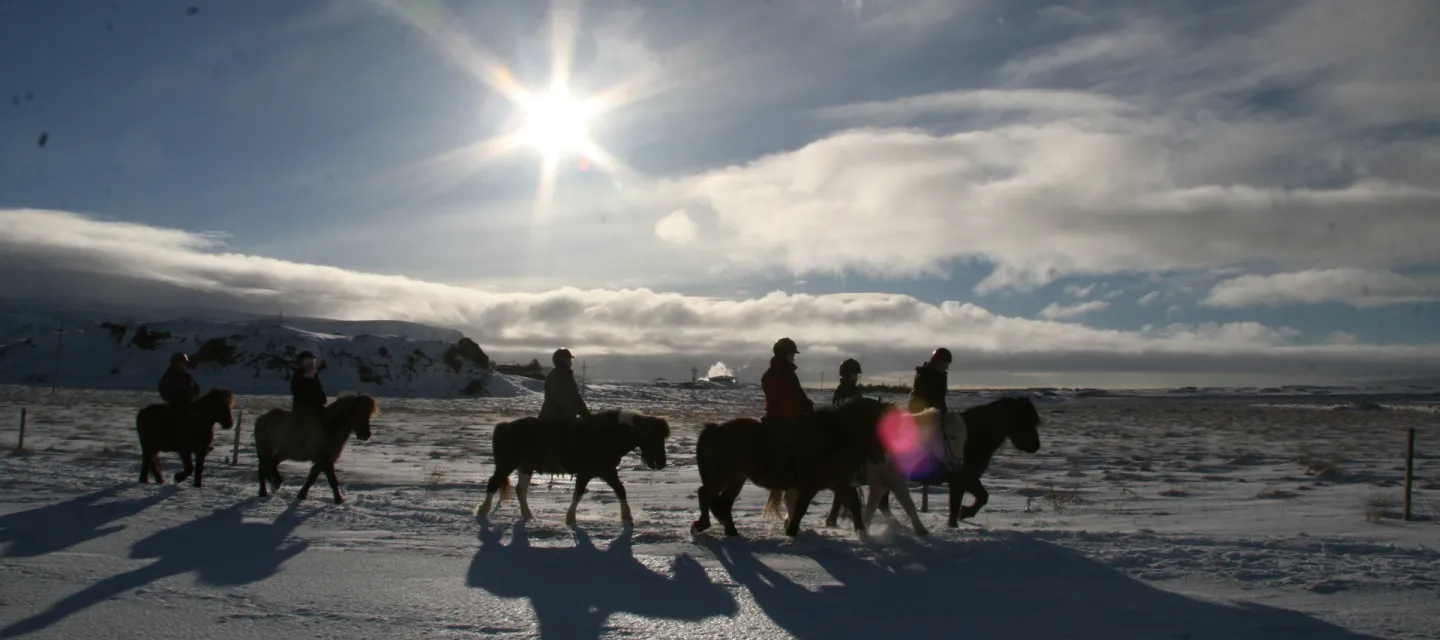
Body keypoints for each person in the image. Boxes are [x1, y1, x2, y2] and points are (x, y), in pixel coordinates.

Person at [761, 337, 813, 422]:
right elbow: (786, 400)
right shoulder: (782, 374)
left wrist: (806, 404)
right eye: (792, 355)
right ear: (785, 355)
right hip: (785, 421)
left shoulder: (784, 372)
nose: (793, 358)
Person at [540, 348, 591, 421]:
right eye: (568, 359)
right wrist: (579, 410)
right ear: (561, 361)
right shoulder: (555, 376)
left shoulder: (567, 375)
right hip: (553, 419)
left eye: (570, 360)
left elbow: (575, 396)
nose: (570, 362)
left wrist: (584, 411)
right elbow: (562, 398)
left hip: (566, 417)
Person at [908, 347, 951, 415]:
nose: (946, 367)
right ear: (938, 362)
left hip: (937, 414)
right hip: (922, 414)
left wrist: (943, 412)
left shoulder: (942, 376)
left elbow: (940, 399)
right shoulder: (923, 376)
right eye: (945, 363)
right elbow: (920, 399)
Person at [290, 350, 328, 427]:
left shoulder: (314, 374)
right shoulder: (299, 374)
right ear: (302, 363)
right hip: (302, 409)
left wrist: (322, 396)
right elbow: (295, 390)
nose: (310, 364)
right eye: (307, 362)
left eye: (311, 362)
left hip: (317, 407)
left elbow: (318, 387)